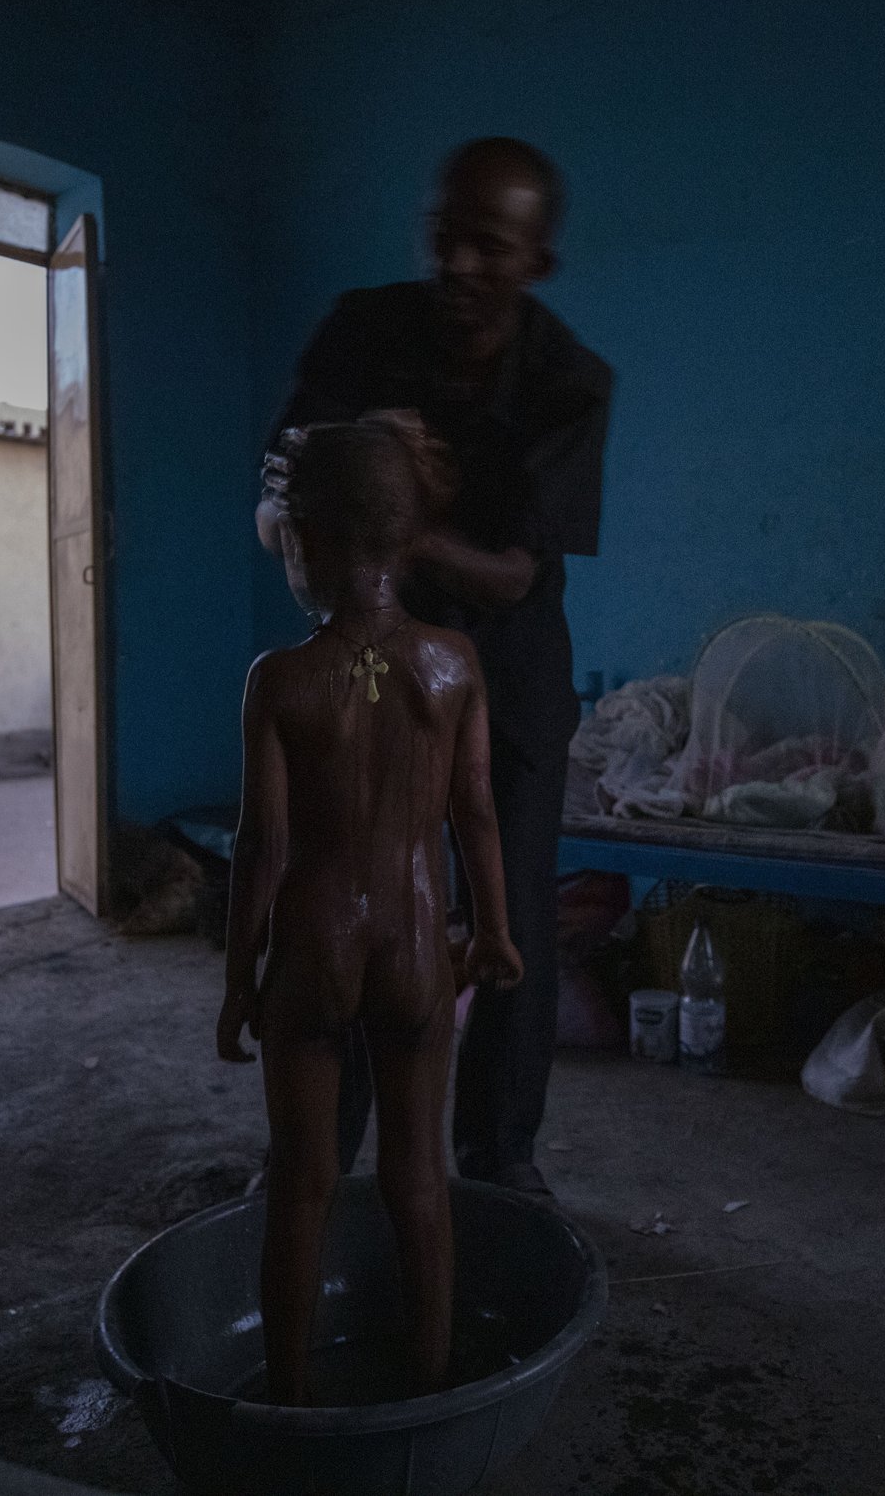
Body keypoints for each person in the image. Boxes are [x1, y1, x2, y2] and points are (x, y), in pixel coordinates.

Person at [255, 137, 612, 1198]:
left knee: (516, 917)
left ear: (536, 261)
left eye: (489, 247)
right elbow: (280, 489)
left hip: (509, 665)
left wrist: (391, 522)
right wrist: (331, 494)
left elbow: (509, 571)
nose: (458, 263)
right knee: (365, 893)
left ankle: (501, 1158)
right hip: (378, 653)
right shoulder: (362, 332)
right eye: (444, 236)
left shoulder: (568, 382)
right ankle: (321, 1148)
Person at [217, 417, 524, 1405]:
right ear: (403, 538)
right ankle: (430, 1381)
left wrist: (237, 980)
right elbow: (476, 812)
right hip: (415, 945)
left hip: (313, 947)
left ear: (305, 539)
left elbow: (261, 846)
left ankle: (292, 1398)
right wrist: (496, 930)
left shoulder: (280, 680)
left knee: (302, 1182)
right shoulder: (453, 664)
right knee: (418, 1176)